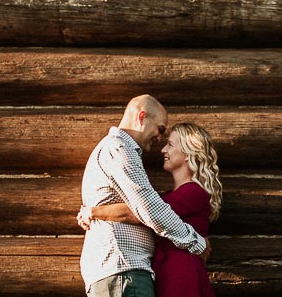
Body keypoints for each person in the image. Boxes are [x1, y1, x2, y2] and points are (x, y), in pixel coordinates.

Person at [77, 95, 211, 297]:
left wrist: (94, 212)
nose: (160, 141)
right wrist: (198, 243)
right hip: (123, 270)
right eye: (160, 129)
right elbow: (150, 209)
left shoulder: (118, 149)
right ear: (142, 117)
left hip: (125, 271)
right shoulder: (119, 148)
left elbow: (147, 207)